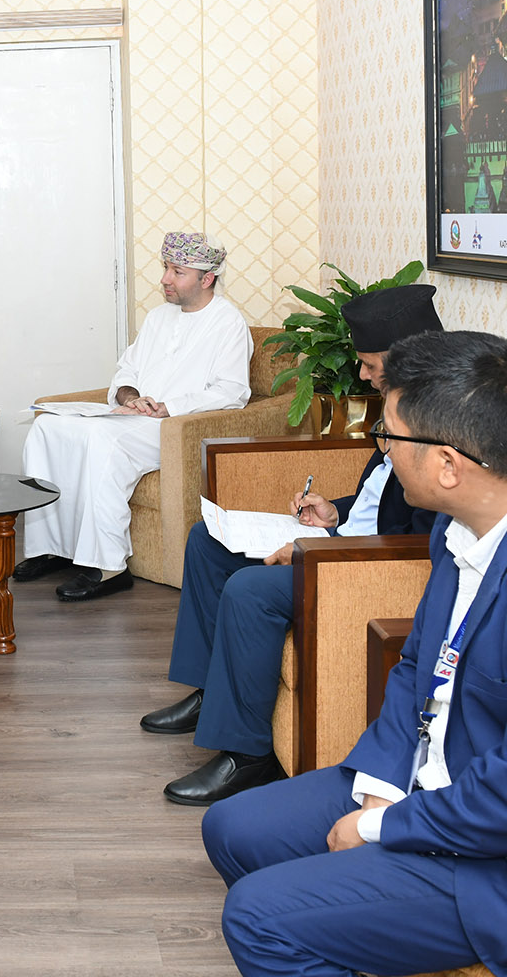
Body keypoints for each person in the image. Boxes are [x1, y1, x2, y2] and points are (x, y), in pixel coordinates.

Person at [202, 331, 507, 977]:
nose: (382, 449)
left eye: (389, 435)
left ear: (447, 463)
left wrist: (383, 829)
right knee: (232, 830)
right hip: (442, 784)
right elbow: (418, 666)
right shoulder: (463, 519)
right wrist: (382, 789)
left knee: (256, 916)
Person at [143, 283, 444, 806]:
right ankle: (211, 690)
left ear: (406, 361)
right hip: (345, 540)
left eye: (370, 365)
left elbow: (420, 538)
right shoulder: (401, 401)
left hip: (368, 566)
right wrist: (335, 512)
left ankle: (248, 756)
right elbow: (380, 495)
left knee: (251, 591)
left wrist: (314, 551)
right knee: (206, 540)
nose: (363, 376)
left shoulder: (440, 423)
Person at [13, 231, 251, 601]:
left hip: (174, 427)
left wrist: (168, 407)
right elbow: (127, 370)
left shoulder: (228, 323)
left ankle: (110, 567)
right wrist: (131, 396)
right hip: (133, 416)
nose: (165, 279)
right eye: (166, 268)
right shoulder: (158, 317)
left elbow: (232, 392)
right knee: (47, 428)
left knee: (102, 442)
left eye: (177, 272)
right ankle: (53, 549)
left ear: (206, 279)